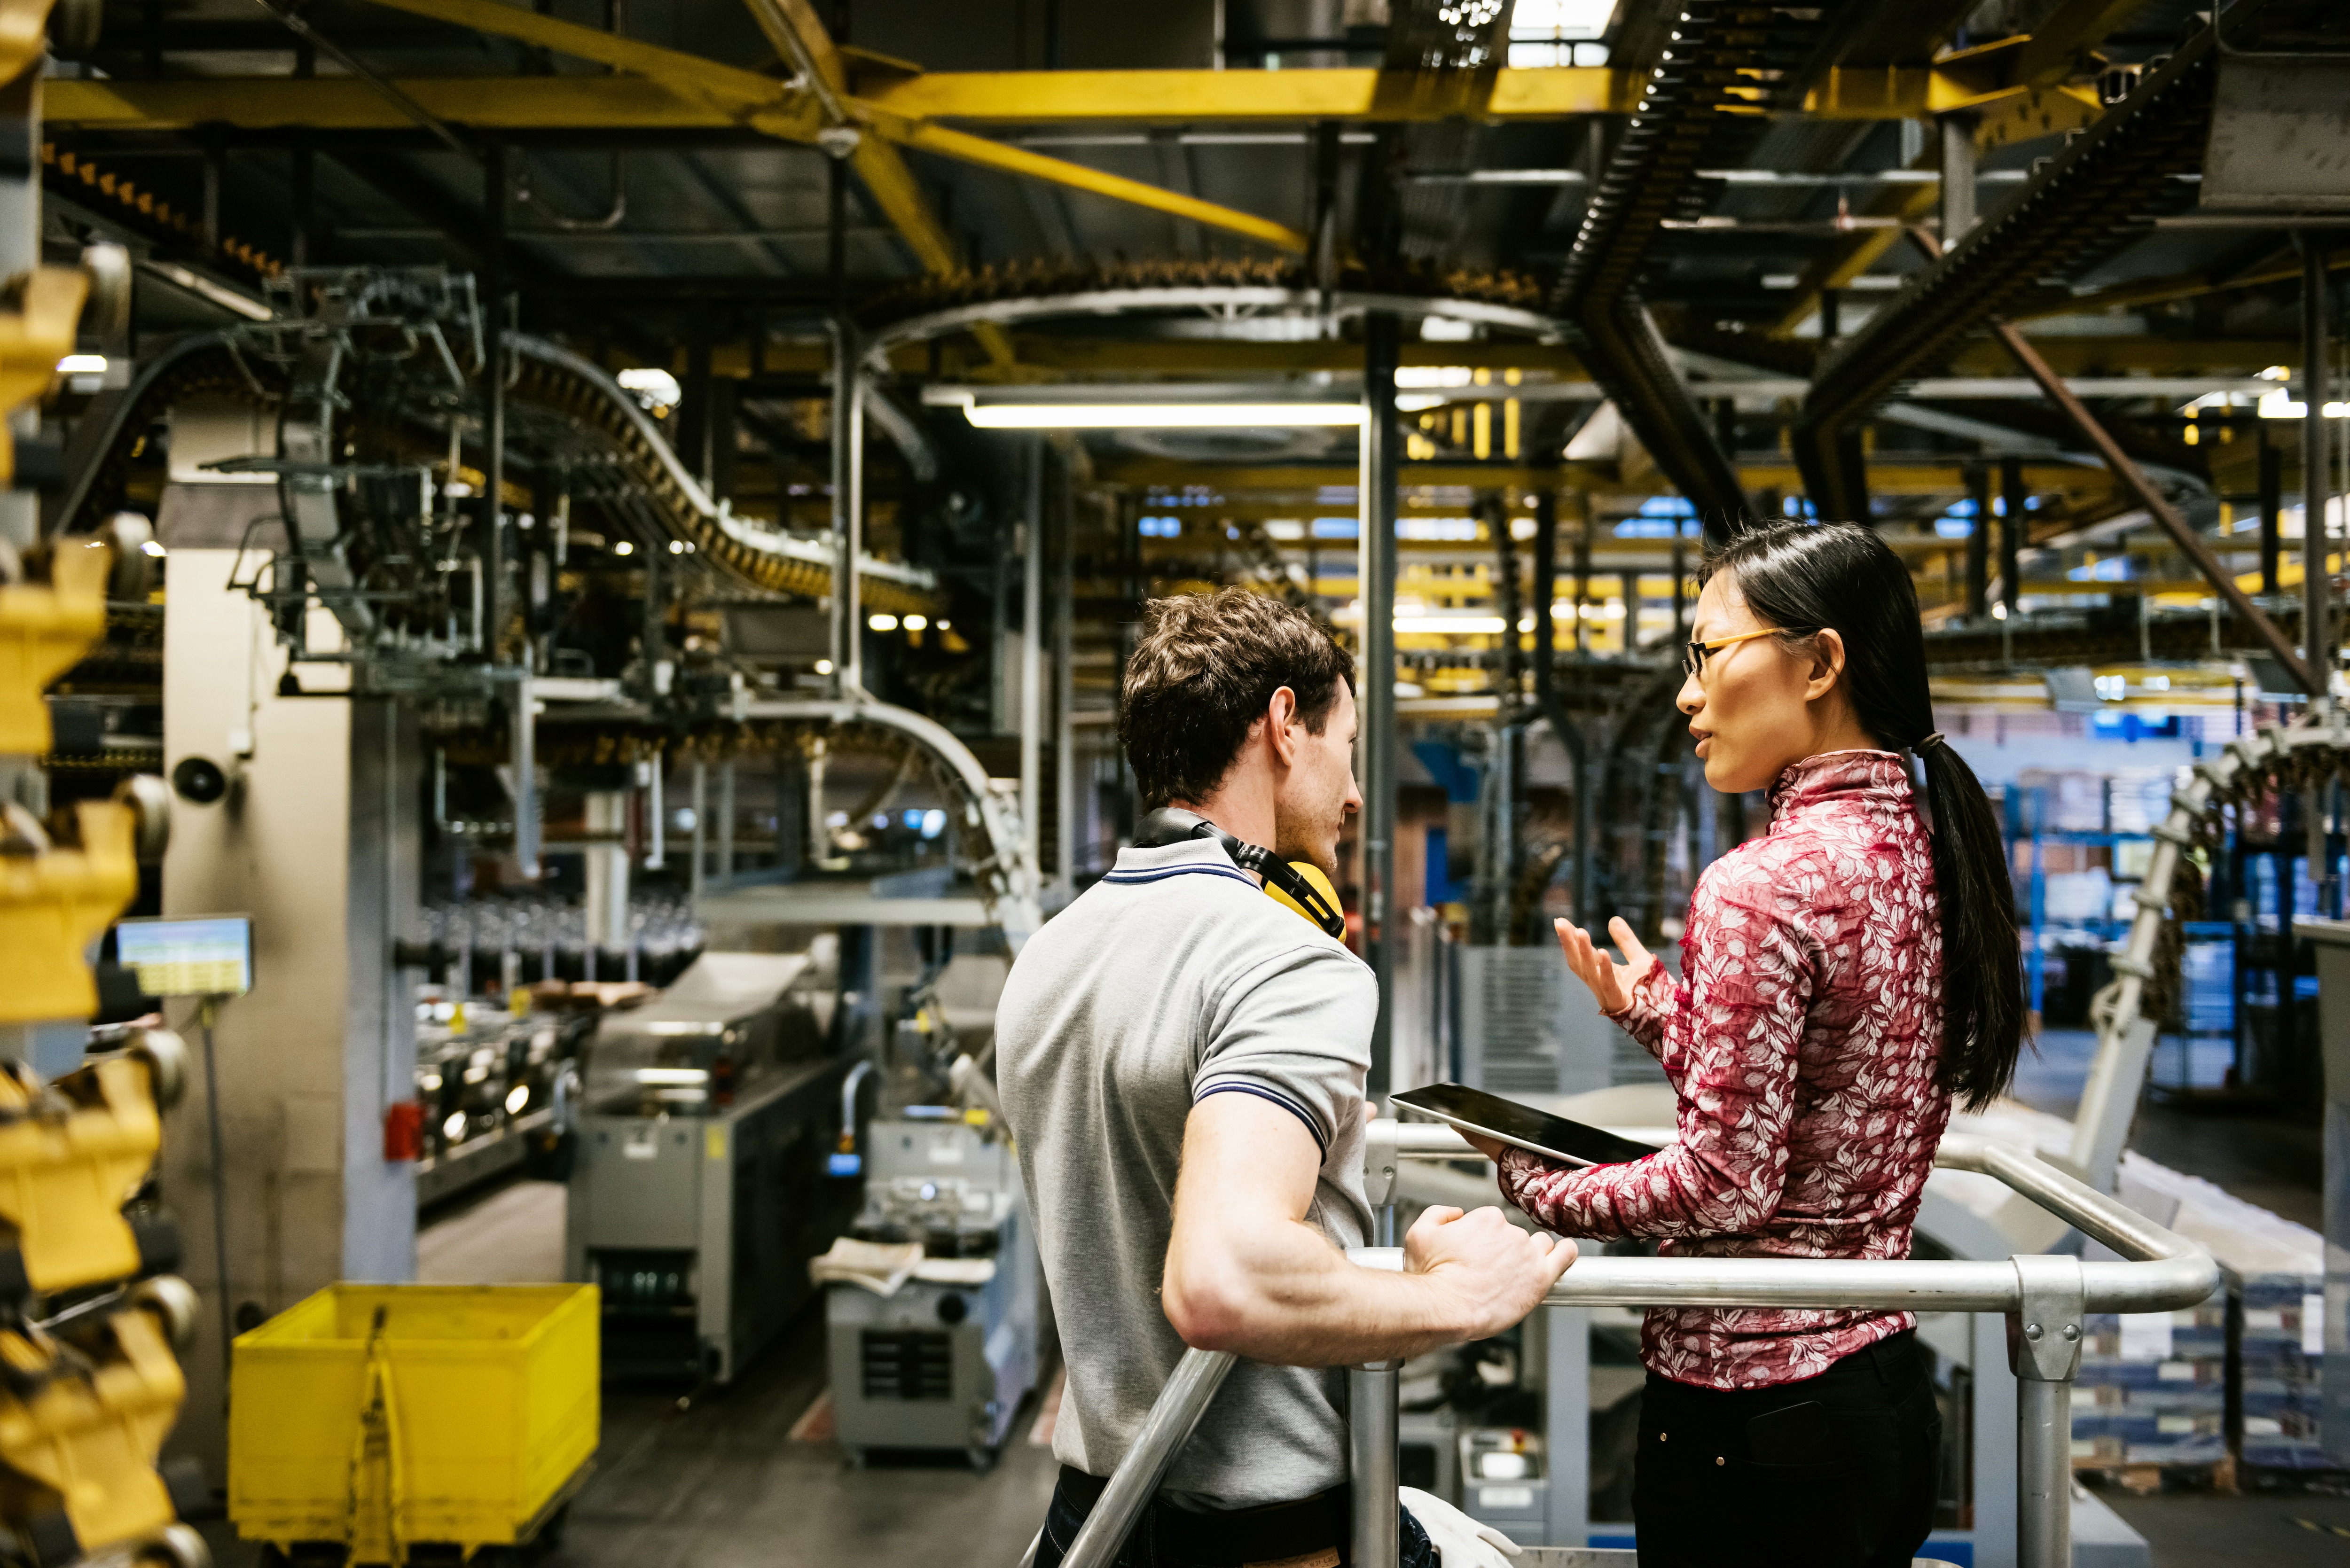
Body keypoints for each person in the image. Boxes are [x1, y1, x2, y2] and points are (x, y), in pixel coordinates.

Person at [1465, 520, 2025, 1568]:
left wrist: (1541, 1189)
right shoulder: (1925, 850)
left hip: (1751, 1434)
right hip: (1875, 1403)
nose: (1685, 695)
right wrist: (1658, 1013)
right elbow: (1818, 1103)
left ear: (1818, 663)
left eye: (1707, 653)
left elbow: (1727, 1182)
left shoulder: (1759, 884)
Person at [998, 588, 1576, 1568]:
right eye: (1346, 747)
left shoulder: (1052, 955)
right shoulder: (1289, 961)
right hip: (1268, 1540)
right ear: (1282, 726)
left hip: (1096, 1521)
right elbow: (1223, 1276)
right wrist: (1461, 1298)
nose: (1355, 795)